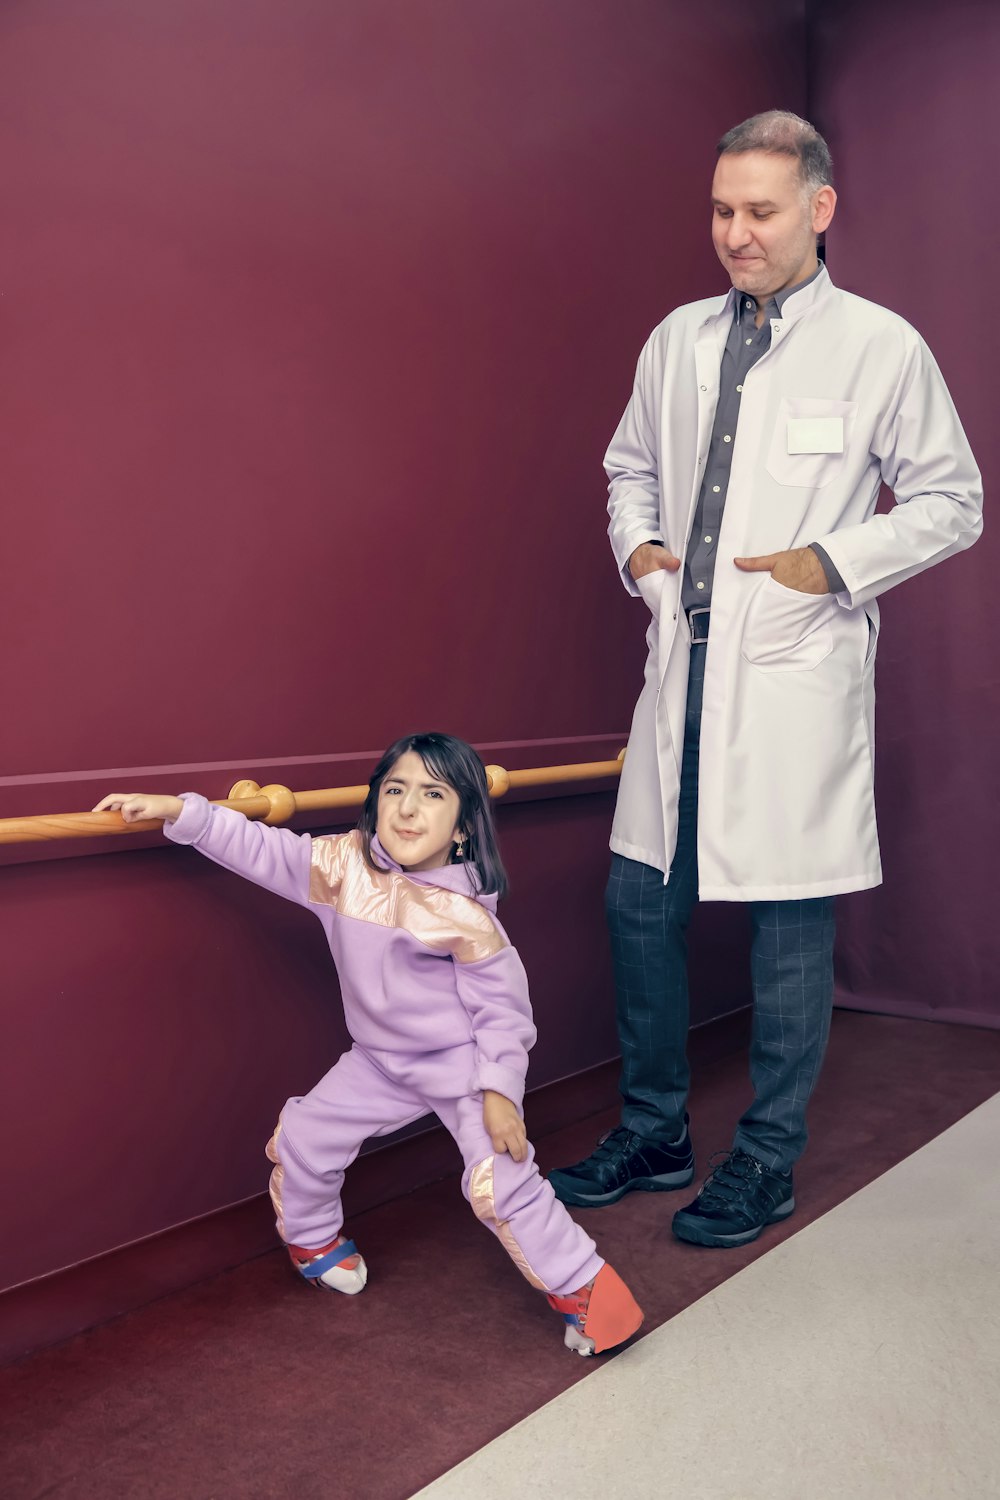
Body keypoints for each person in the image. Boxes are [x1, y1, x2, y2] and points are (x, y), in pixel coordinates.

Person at [548, 111, 982, 1249]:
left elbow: (951, 502)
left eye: (759, 212)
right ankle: (654, 1130)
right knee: (640, 902)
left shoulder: (879, 347)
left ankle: (765, 1159)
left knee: (788, 919)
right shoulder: (675, 340)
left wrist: (827, 563)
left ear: (820, 210)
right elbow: (627, 468)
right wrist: (639, 553)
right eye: (720, 211)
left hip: (791, 672)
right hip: (679, 662)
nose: (734, 235)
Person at [95, 733, 642, 1355]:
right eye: (395, 789)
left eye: (433, 794)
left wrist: (499, 1092)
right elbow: (260, 846)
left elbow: (504, 1014)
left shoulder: (469, 920)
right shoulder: (342, 868)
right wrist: (181, 812)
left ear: (463, 826)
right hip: (378, 1061)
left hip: (459, 1066)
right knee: (305, 1137)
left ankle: (594, 1297)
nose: (408, 808)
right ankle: (314, 1241)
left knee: (501, 1180)